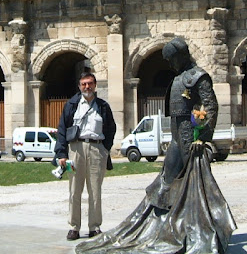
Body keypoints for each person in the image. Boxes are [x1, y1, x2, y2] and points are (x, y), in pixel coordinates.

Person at [76, 37, 236, 254]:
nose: (169, 64)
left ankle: (195, 227)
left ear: (180, 56)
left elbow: (211, 106)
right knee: (166, 180)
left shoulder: (199, 76)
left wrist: (203, 137)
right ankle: (164, 225)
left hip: (190, 138)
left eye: (171, 59)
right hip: (177, 136)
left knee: (194, 183)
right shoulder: (179, 77)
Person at [55, 72, 116, 241]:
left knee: (95, 190)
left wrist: (105, 149)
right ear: (79, 86)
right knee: (74, 190)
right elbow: (62, 129)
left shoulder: (103, 106)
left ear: (95, 85)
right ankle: (74, 227)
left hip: (97, 149)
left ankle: (94, 227)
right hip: (75, 150)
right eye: (84, 84)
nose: (87, 87)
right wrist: (61, 153)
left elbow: (111, 128)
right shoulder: (71, 105)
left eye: (90, 83)